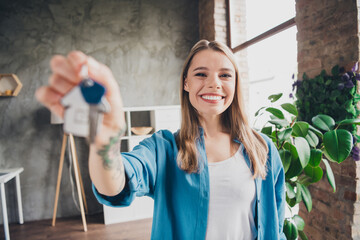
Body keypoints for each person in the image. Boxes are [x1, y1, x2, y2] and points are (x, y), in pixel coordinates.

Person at [36, 40, 285, 240]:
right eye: (201, 74)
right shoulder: (163, 149)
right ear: (186, 83)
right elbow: (115, 186)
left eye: (225, 75)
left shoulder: (263, 149)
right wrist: (106, 143)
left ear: (235, 83)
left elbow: (276, 224)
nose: (213, 84)